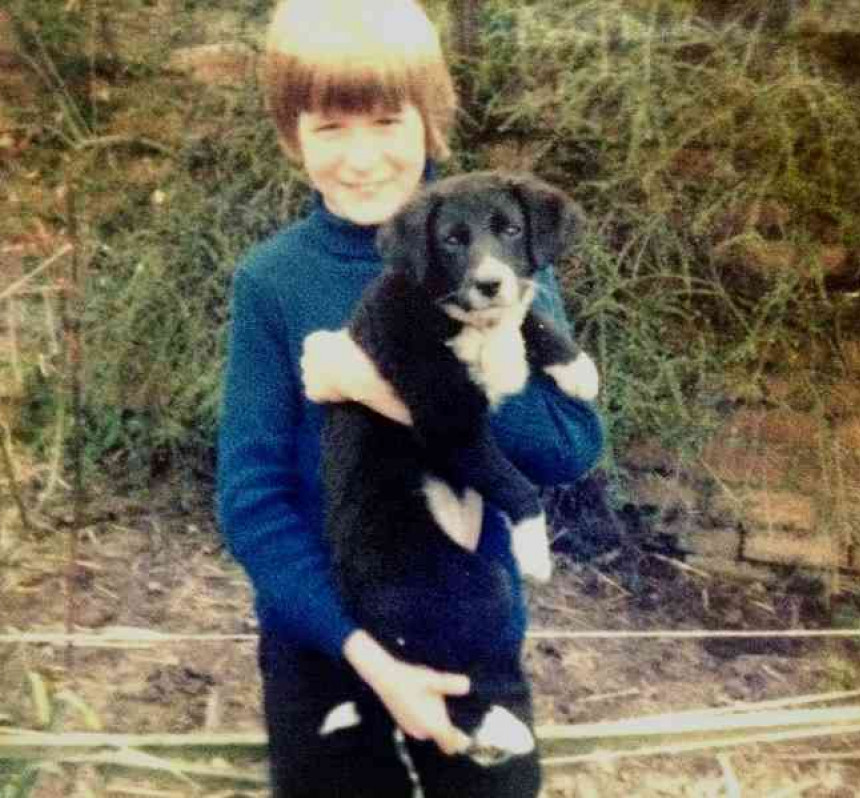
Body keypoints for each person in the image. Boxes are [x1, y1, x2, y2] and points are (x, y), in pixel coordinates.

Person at [215, 1, 603, 795]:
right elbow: (250, 497)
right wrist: (365, 655)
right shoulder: (272, 281)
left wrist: (377, 388)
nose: (361, 159)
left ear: (432, 120)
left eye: (387, 122)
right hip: (323, 643)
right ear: (292, 136)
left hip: (468, 626)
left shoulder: (498, 254)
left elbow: (566, 451)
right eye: (329, 129)